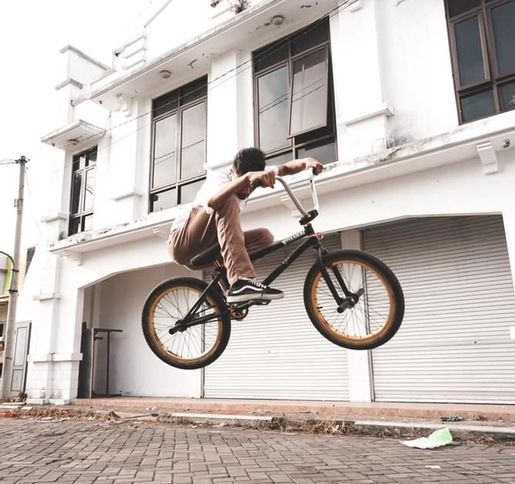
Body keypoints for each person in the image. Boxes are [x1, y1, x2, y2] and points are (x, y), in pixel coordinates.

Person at [169, 147, 323, 303]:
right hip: (183, 244)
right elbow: (212, 201)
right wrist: (247, 178)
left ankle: (226, 281)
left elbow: (286, 168)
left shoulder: (258, 174)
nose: (246, 189)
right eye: (242, 182)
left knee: (265, 236)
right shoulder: (220, 178)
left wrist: (306, 161)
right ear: (233, 172)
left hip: (210, 248)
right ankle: (240, 281)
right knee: (227, 199)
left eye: (251, 184)